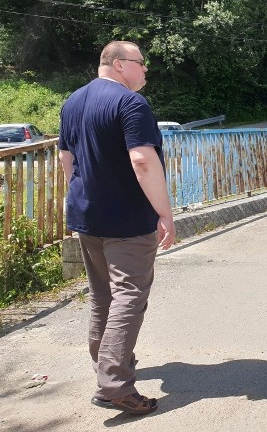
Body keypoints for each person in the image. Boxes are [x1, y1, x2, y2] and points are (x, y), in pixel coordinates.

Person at [59, 41, 175, 415]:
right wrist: (165, 213)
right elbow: (142, 160)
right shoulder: (130, 103)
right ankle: (114, 384)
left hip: (87, 216)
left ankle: (108, 369)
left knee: (102, 297)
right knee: (130, 296)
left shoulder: (73, 101)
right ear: (121, 64)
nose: (145, 71)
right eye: (141, 63)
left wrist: (84, 198)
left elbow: (67, 159)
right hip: (127, 220)